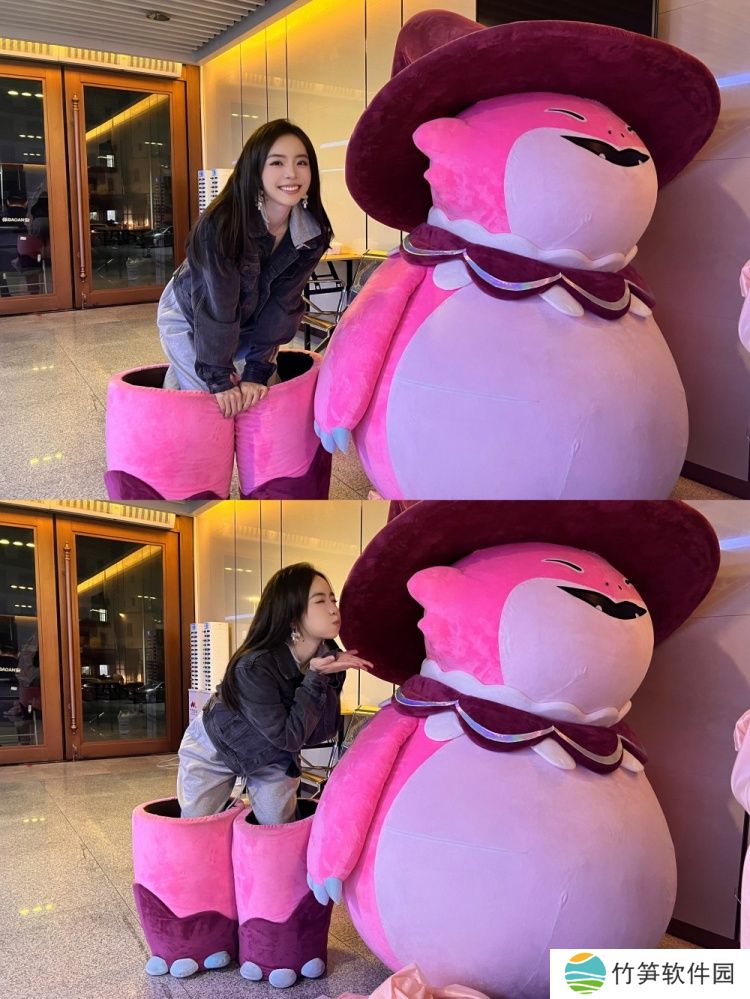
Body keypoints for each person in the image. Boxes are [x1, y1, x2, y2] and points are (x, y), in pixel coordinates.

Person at [158, 119, 333, 418]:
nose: (291, 173)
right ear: (255, 170)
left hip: (249, 318)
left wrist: (256, 372)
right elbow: (216, 306)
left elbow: (283, 305)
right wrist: (218, 378)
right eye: (277, 162)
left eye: (301, 162)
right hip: (191, 312)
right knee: (206, 405)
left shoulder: (311, 235)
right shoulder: (222, 225)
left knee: (261, 398)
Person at [177, 563, 372, 822]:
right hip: (216, 746)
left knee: (278, 831)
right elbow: (289, 737)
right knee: (195, 826)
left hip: (272, 755)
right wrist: (315, 678)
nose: (333, 609)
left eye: (333, 599)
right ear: (292, 615)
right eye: (320, 601)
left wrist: (322, 677)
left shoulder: (329, 660)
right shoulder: (254, 666)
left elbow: (320, 732)